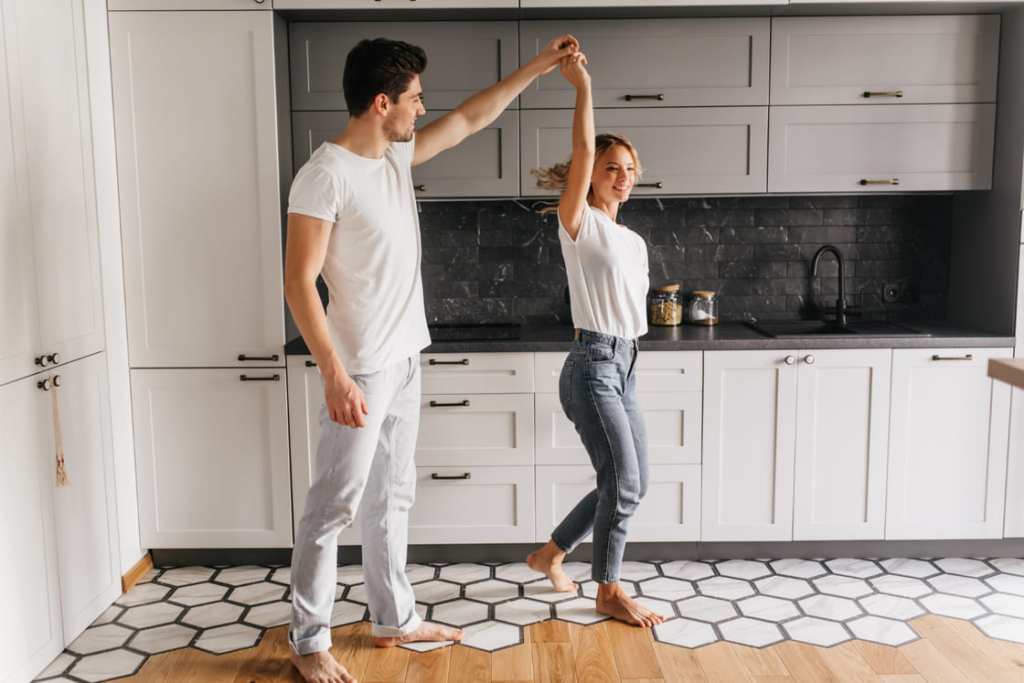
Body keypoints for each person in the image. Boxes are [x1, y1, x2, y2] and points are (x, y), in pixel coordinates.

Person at [284, 34, 581, 683]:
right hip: (358, 369)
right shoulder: (324, 174)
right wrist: (333, 373)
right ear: (382, 101)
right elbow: (299, 281)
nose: (422, 110)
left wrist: (538, 66)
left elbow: (473, 117)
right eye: (414, 99)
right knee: (332, 506)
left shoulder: (393, 156)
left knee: (392, 495)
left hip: (405, 357)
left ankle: (393, 617)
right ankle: (309, 639)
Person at [525, 52, 666, 629]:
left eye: (630, 167)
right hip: (592, 364)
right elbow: (583, 151)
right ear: (592, 175)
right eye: (613, 167)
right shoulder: (580, 223)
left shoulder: (630, 240)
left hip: (625, 364)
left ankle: (550, 554)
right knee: (625, 482)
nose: (623, 175)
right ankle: (608, 589)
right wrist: (583, 85)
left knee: (631, 481)